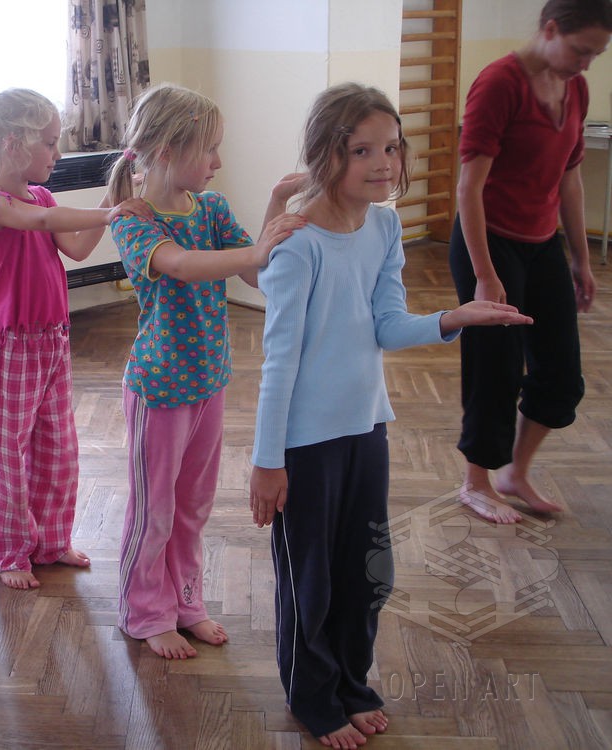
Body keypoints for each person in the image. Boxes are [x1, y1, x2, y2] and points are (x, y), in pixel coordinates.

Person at [248, 83, 533, 749]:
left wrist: (453, 317)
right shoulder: (298, 244)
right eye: (362, 150)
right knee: (311, 582)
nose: (383, 163)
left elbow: (386, 325)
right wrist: (267, 462)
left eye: (392, 148)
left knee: (368, 574)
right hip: (303, 446)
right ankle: (313, 695)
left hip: (367, 430)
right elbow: (278, 362)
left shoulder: (383, 226)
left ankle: (351, 682)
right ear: (325, 154)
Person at [106, 83, 306, 659]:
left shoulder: (211, 208)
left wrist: (277, 205)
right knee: (155, 509)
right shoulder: (135, 220)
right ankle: (145, 611)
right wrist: (257, 249)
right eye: (210, 149)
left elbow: (255, 273)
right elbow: (183, 265)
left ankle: (186, 600)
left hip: (208, 381)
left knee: (193, 505)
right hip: (158, 389)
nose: (218, 162)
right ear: (168, 151)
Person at [0, 88, 151, 590]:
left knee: (58, 448)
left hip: (52, 339)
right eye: (49, 143)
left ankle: (50, 541)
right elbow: (42, 222)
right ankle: (8, 551)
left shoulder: (43, 195)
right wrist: (110, 213)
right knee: (9, 454)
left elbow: (78, 248)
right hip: (10, 345)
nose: (58, 154)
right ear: (13, 144)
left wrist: (112, 198)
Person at [449, 0, 611, 524]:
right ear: (550, 29)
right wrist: (485, 275)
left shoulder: (575, 88)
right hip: (489, 242)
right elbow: (469, 188)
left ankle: (514, 473)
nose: (586, 63)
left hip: (541, 245)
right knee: (495, 369)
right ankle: (476, 482)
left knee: (561, 375)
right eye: (581, 50)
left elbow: (569, 179)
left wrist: (581, 260)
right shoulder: (500, 83)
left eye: (596, 55)